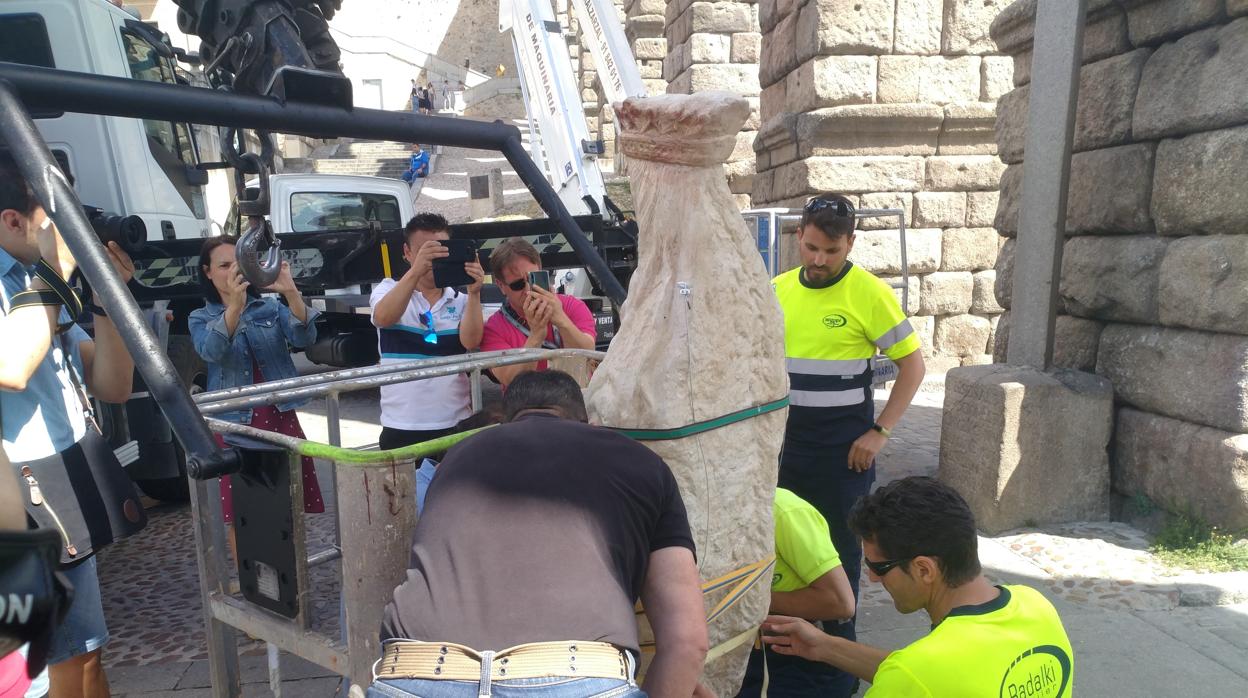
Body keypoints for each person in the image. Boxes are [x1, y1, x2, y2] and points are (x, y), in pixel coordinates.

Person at [374, 370, 708, 697]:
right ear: (589, 425)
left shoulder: (458, 457)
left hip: (416, 672)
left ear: (505, 423)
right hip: (577, 675)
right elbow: (687, 642)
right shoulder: (645, 464)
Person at [771, 193, 926, 695]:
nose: (819, 260)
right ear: (799, 238)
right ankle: (785, 655)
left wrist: (879, 432)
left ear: (850, 244)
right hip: (783, 451)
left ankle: (837, 675)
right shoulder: (774, 292)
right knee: (785, 561)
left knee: (836, 560)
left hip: (842, 456)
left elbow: (913, 365)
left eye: (831, 251)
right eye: (812, 247)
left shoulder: (870, 293)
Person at [1, 150, 137, 698]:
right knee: (35, 676)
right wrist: (55, 271)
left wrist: (108, 300)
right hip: (15, 506)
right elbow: (11, 368)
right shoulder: (33, 281)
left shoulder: (31, 282)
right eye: (59, 219)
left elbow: (112, 385)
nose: (71, 233)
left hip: (61, 481)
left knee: (83, 656)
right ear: (12, 219)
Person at [764, 477, 1075, 697]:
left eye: (878, 567)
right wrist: (825, 646)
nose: (872, 578)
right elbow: (929, 676)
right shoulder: (1036, 606)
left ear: (924, 569)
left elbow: (916, 677)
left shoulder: (919, 674)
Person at [188, 236, 325, 563]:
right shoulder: (199, 317)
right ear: (207, 272)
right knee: (242, 513)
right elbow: (211, 350)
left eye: (240, 264)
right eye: (224, 266)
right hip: (235, 425)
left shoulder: (270, 307)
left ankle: (291, 583)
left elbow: (305, 337)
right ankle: (256, 587)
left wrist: (291, 291)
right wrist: (234, 308)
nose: (234, 272)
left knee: (289, 506)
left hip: (280, 417)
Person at [370, 213, 484, 450]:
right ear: (407, 252)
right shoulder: (388, 289)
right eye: (424, 251)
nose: (432, 258)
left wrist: (474, 293)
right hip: (401, 425)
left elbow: (471, 342)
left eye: (440, 250)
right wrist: (415, 272)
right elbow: (383, 317)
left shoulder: (462, 300)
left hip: (455, 423)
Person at [738, 488, 856, 697]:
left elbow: (840, 603)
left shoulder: (783, 511)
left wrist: (749, 599)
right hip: (754, 650)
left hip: (806, 654)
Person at [480, 237, 595, 386]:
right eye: (518, 285)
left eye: (534, 279)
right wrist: (536, 336)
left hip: (576, 399)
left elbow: (587, 356)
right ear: (501, 286)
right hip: (529, 405)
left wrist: (562, 321)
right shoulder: (494, 328)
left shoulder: (572, 306)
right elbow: (511, 380)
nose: (528, 290)